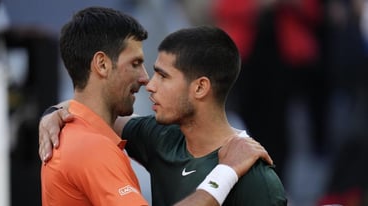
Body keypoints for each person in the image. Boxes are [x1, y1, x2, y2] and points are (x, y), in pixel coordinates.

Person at [40, 7, 273, 206]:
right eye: (135, 64)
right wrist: (225, 173)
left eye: (162, 75)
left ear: (202, 87)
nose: (145, 79)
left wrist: (53, 112)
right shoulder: (91, 148)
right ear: (101, 64)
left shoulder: (82, 130)